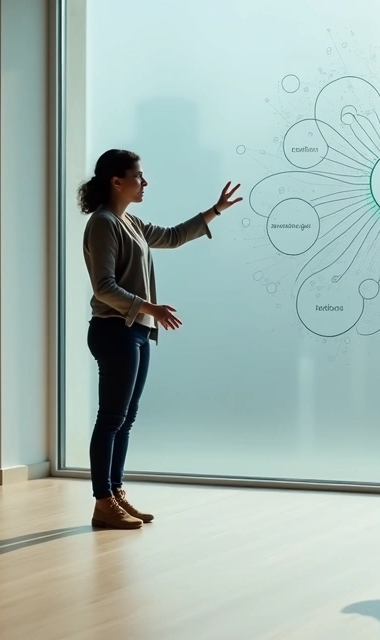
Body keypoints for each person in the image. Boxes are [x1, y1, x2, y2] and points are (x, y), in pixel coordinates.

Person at [79, 148, 242, 529]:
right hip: (114, 331)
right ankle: (102, 501)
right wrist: (151, 308)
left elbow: (171, 236)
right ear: (116, 181)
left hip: (135, 331)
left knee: (125, 418)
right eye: (138, 176)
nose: (145, 182)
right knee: (111, 418)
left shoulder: (129, 222)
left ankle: (115, 492)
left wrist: (214, 210)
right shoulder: (103, 224)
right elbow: (103, 287)